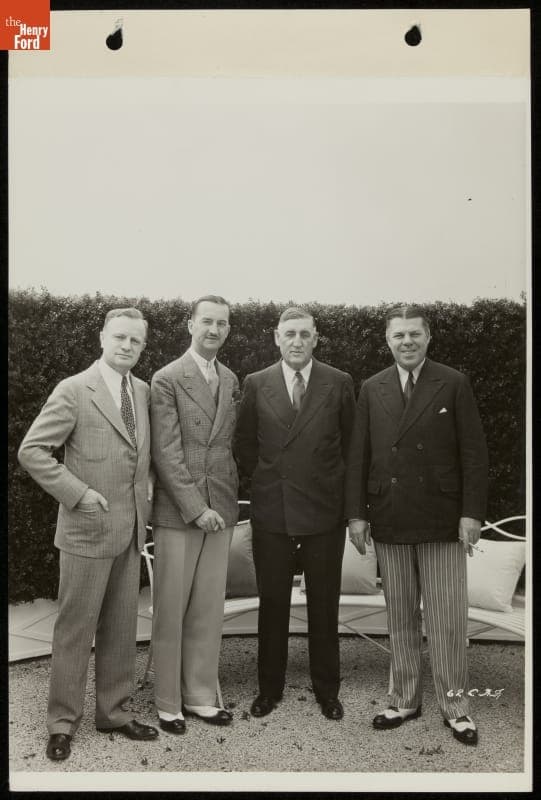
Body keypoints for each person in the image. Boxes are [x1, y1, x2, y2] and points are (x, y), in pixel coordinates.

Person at [18, 307, 158, 762]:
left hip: (130, 531)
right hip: (85, 531)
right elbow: (33, 451)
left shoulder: (141, 390)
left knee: (121, 629)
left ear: (142, 346)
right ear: (102, 337)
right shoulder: (74, 390)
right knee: (75, 631)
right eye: (119, 337)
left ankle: (113, 713)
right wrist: (77, 494)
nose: (126, 347)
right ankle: (61, 724)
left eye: (135, 341)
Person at [345, 305, 488, 746]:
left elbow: (474, 455)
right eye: (398, 336)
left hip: (442, 517)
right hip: (390, 514)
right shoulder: (372, 388)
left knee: (446, 618)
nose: (406, 342)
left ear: (429, 338)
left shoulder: (453, 382)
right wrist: (357, 514)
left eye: (414, 334)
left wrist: (471, 513)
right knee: (402, 616)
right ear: (387, 341)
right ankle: (404, 699)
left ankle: (456, 706)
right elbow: (358, 456)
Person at [234, 307, 356, 720]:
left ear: (316, 338)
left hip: (324, 515)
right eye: (290, 334)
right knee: (272, 605)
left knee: (324, 605)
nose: (297, 341)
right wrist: (270, 482)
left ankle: (327, 690)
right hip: (273, 514)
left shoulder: (338, 382)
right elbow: (245, 446)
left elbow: (351, 448)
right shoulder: (256, 383)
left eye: (305, 333)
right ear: (276, 337)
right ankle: (269, 689)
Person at [150, 295, 239, 733]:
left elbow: (225, 446)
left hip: (222, 506)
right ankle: (168, 702)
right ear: (189, 325)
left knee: (207, 608)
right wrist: (195, 508)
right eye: (206, 321)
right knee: (171, 608)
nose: (214, 330)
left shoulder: (230, 377)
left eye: (222, 324)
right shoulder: (167, 378)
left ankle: (200, 697)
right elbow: (165, 453)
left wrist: (219, 506)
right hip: (180, 511)